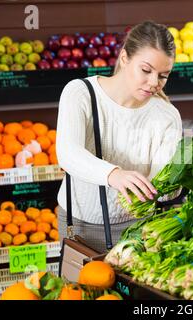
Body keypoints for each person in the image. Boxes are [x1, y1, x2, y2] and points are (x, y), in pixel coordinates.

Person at [56, 21, 182, 252]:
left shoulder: (166, 115)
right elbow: (67, 153)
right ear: (124, 58)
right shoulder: (80, 93)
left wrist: (176, 176)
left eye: (163, 76)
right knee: (78, 289)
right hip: (80, 225)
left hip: (139, 228)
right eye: (146, 70)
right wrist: (113, 174)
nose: (154, 83)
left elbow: (162, 189)